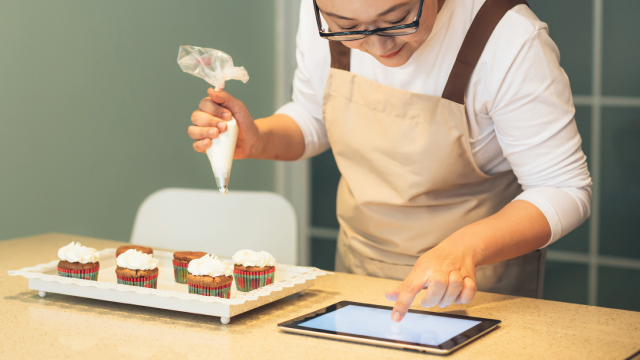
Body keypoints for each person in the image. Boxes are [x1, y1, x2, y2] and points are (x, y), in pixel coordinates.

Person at [187, 0, 591, 322]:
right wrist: (259, 139)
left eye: (397, 19)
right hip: (356, 272)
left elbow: (564, 188)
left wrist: (464, 246)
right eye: (346, 28)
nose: (378, 46)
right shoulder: (321, 15)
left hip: (478, 287)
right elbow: (312, 117)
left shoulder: (509, 39)